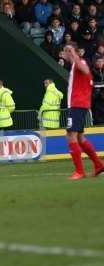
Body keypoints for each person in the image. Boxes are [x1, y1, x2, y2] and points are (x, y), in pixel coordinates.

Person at [63, 44, 104, 180]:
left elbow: (86, 70)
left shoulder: (80, 62)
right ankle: (98, 165)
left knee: (71, 135)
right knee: (79, 138)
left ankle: (79, 171)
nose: (67, 53)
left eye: (70, 50)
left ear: (76, 52)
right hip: (78, 104)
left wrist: (74, 56)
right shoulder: (75, 65)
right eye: (65, 51)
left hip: (77, 104)